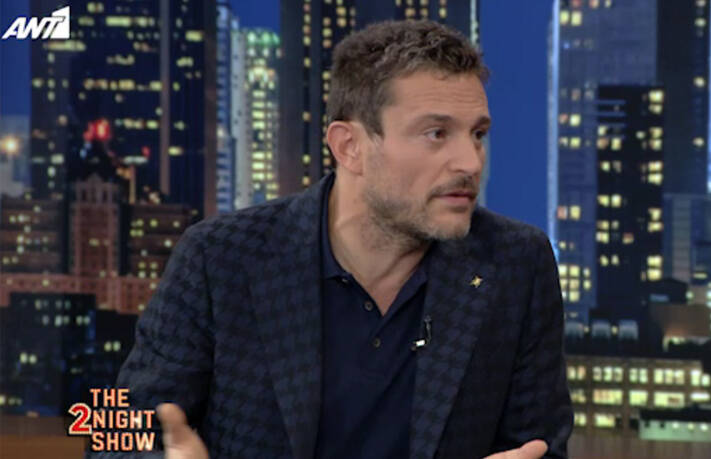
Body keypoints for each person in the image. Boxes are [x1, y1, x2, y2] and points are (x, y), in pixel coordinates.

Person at [109, 19, 572, 459]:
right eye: (436, 133)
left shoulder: (515, 264)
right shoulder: (219, 258)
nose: (470, 162)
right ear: (349, 147)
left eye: (478, 134)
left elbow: (539, 447)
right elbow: (120, 436)